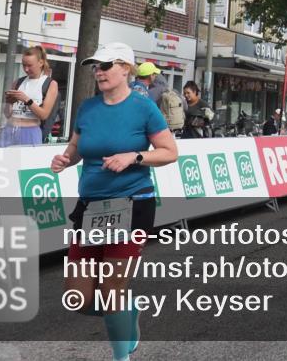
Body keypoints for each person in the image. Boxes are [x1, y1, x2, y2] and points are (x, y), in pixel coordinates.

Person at [51, 42, 176, 361]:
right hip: (91, 207)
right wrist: (65, 159)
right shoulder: (88, 108)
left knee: (111, 288)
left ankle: (121, 355)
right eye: (96, 66)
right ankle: (127, 309)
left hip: (132, 203)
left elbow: (169, 152)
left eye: (106, 65)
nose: (99, 71)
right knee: (77, 298)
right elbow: (76, 147)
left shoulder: (143, 107)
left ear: (126, 69)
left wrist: (134, 157)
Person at [0, 46, 60, 147]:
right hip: (10, 129)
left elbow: (44, 115)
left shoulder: (50, 84)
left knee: (28, 157)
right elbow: (8, 114)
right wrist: (9, 102)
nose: (26, 69)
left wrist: (27, 100)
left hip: (30, 130)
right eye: (24, 65)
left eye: (30, 65)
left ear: (41, 63)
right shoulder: (18, 82)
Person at [137, 62, 184, 135]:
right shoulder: (170, 91)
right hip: (159, 130)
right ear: (151, 76)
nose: (155, 76)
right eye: (154, 74)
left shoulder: (133, 88)